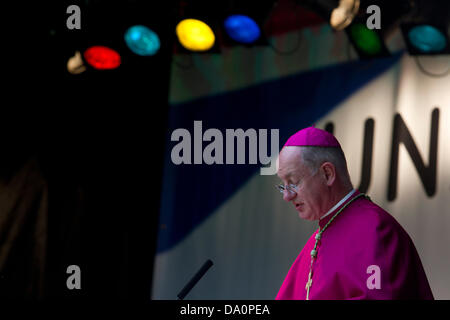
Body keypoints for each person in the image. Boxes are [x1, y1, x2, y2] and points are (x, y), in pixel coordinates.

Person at [275, 127, 434, 300]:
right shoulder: (315, 241)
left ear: (327, 174)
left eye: (293, 182)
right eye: (283, 185)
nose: (287, 196)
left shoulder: (376, 230)